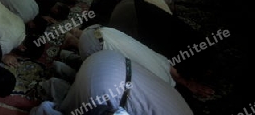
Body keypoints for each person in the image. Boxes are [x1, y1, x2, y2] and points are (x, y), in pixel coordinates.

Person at [67, 24, 214, 97]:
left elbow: (176, 74)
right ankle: (73, 44)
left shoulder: (164, 62)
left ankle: (75, 34)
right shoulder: (159, 83)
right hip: (92, 46)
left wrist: (188, 83)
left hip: (100, 30)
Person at [57, 50, 194, 115]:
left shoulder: (184, 108)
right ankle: (49, 91)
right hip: (103, 91)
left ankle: (64, 63)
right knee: (71, 111)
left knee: (82, 86)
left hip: (110, 59)